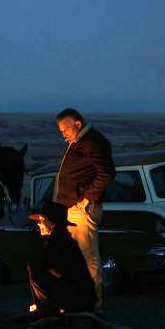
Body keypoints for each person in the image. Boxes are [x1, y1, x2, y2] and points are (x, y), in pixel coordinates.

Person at [53, 108, 115, 311]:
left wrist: (87, 199)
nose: (63, 134)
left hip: (82, 209)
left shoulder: (92, 142)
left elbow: (106, 173)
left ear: (77, 124)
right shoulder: (78, 142)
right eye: (60, 130)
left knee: (87, 257)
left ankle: (93, 305)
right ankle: (78, 301)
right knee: (72, 257)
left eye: (65, 129)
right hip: (70, 209)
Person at [26, 201, 96, 315]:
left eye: (41, 220)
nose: (38, 224)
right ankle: (48, 306)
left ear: (52, 222)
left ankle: (46, 309)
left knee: (33, 267)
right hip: (83, 298)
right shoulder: (62, 239)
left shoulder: (58, 242)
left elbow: (42, 265)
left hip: (79, 300)